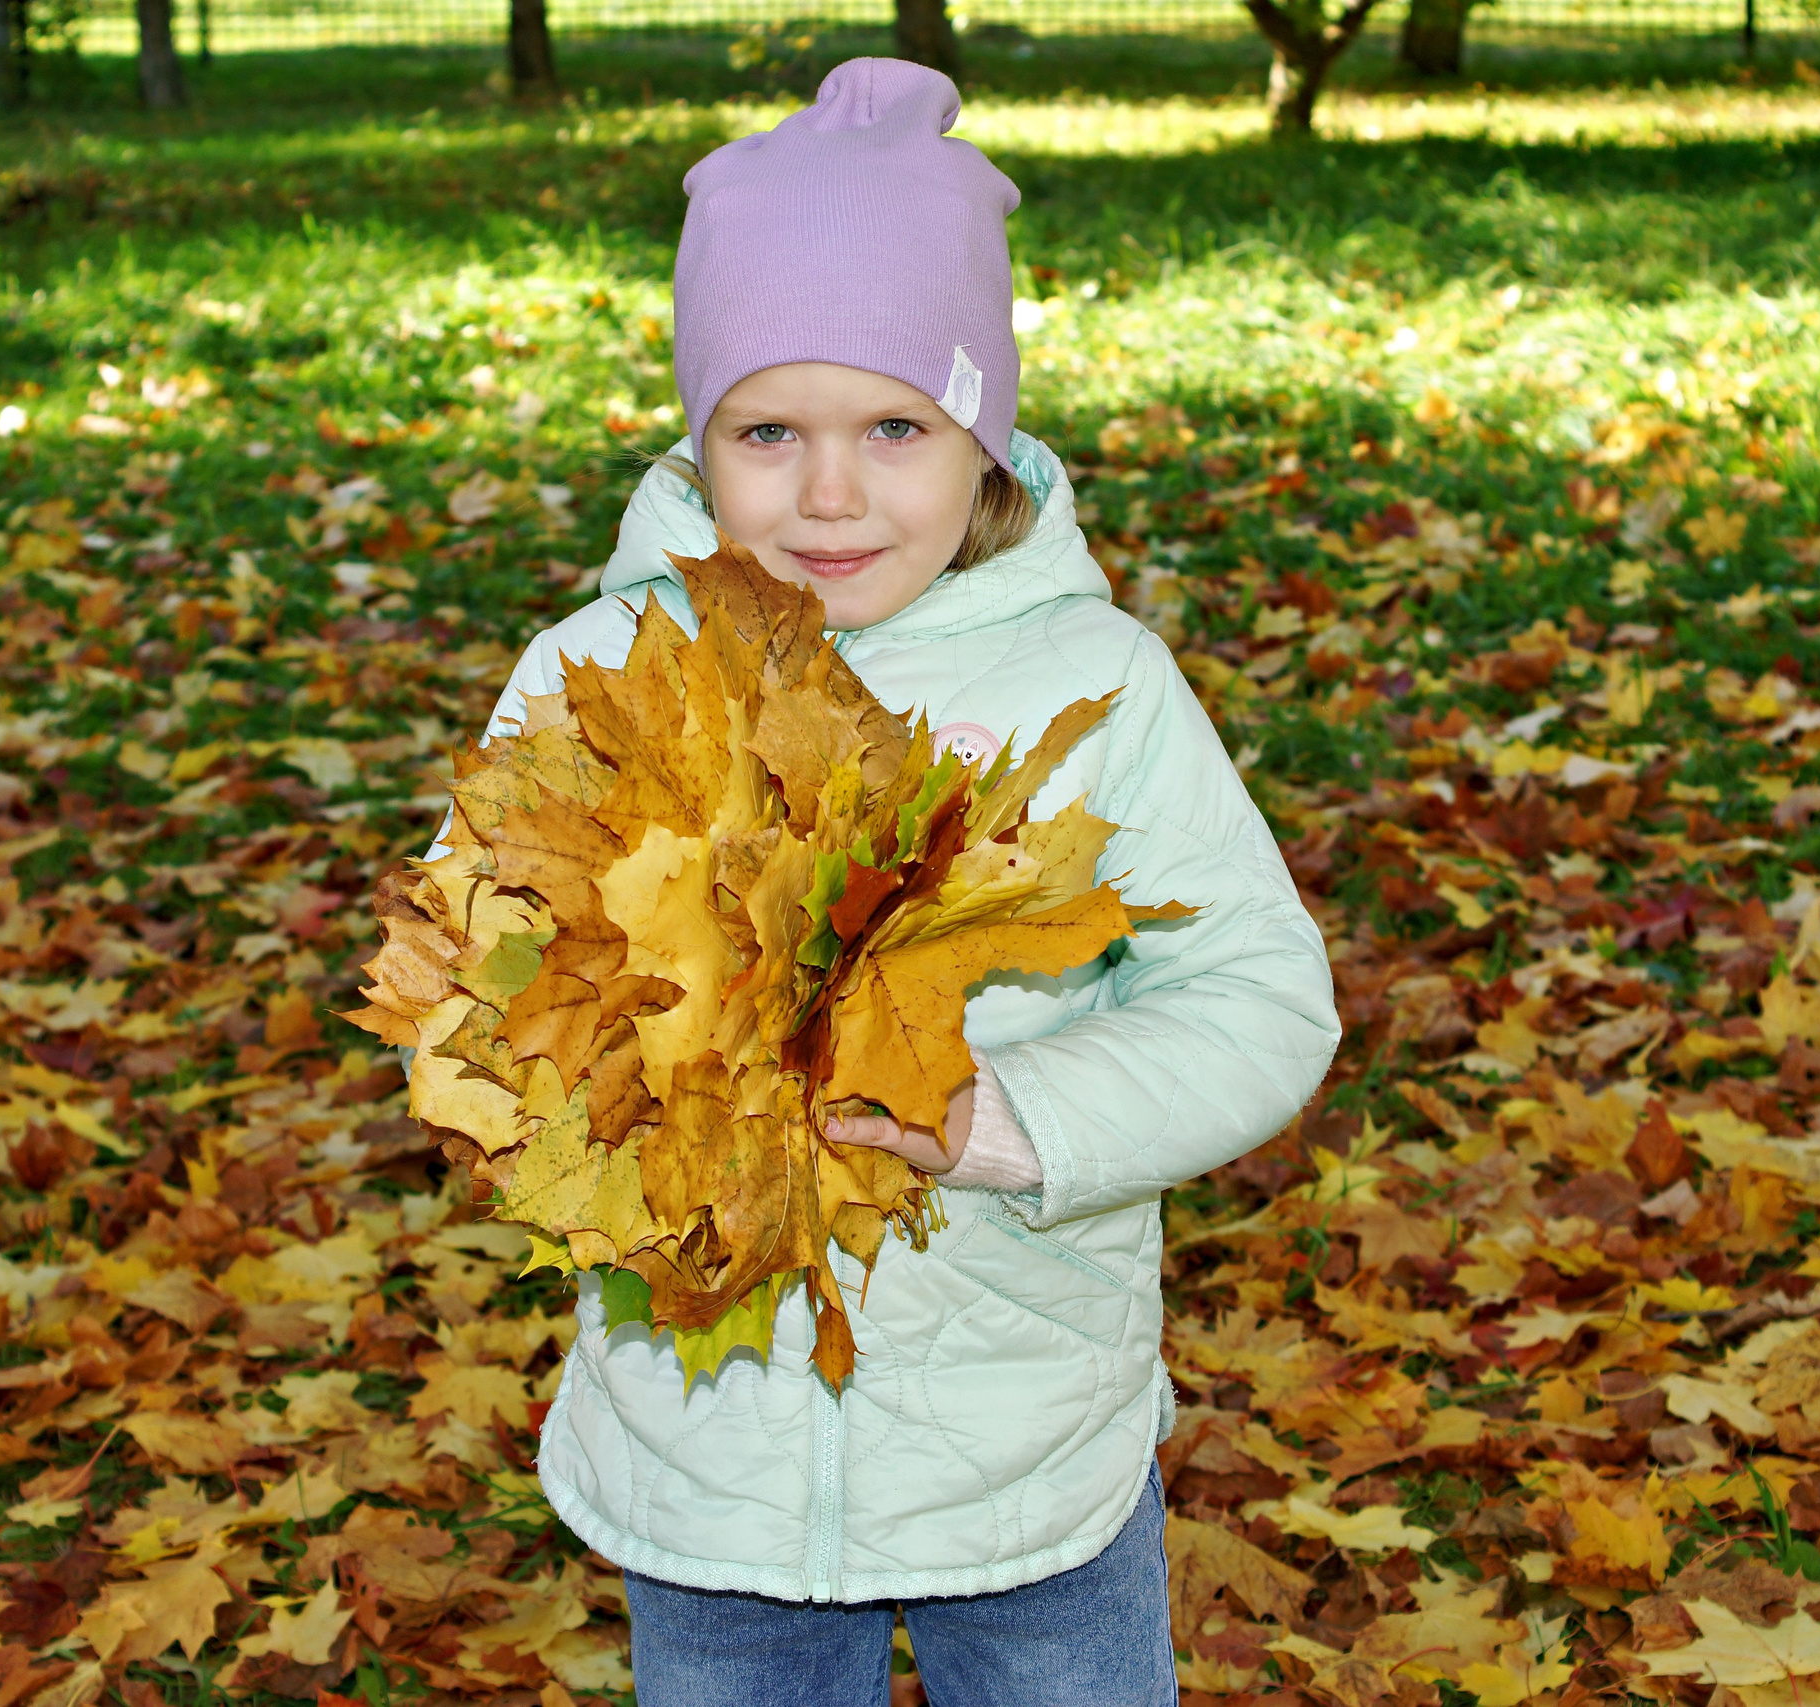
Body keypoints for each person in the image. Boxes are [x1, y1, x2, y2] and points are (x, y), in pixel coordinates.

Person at [431, 57, 1341, 1707]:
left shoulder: (1102, 689)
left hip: (1027, 1441)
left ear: (982, 436)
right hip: (704, 1447)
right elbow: (482, 962)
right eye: (767, 429)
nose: (829, 492)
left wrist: (1017, 1121)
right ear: (698, 441)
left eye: (895, 428)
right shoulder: (597, 672)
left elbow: (1262, 996)